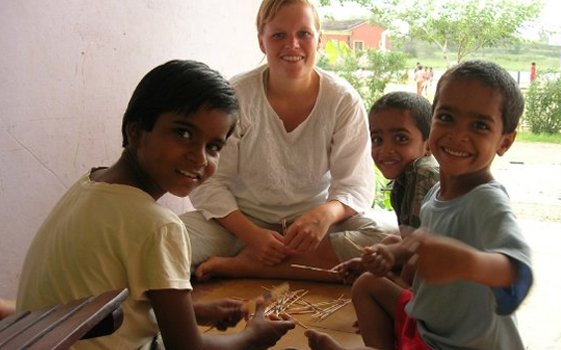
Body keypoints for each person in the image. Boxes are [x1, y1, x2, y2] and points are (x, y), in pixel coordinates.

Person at [16, 60, 295, 350]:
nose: (200, 158)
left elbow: (107, 297)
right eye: (183, 134)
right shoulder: (159, 226)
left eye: (213, 146)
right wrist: (252, 338)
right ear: (136, 131)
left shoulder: (90, 184)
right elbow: (188, 348)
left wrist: (194, 311)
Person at [305, 60, 534, 350]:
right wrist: (389, 254)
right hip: (430, 329)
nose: (458, 134)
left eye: (479, 125)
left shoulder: (486, 200)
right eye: (447, 117)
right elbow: (419, 245)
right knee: (367, 284)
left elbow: (517, 272)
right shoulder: (435, 193)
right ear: (432, 120)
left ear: (505, 142)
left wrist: (468, 263)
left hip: (465, 344)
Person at [180, 0, 393, 283]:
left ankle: (246, 266)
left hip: (311, 232)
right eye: (279, 35)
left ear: (320, 40)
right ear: (261, 41)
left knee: (387, 238)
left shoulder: (342, 100)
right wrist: (252, 235)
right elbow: (211, 183)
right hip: (239, 224)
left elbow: (354, 185)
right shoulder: (236, 95)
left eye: (303, 34)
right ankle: (289, 263)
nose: (292, 45)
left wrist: (324, 215)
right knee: (168, 237)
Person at [335, 91, 439, 286]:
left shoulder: (421, 175)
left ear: (429, 144)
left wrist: (403, 294)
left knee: (367, 285)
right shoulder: (406, 176)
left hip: (446, 279)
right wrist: (368, 263)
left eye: (400, 138)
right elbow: (407, 242)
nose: (385, 150)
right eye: (377, 140)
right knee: (391, 241)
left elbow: (418, 248)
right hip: (429, 261)